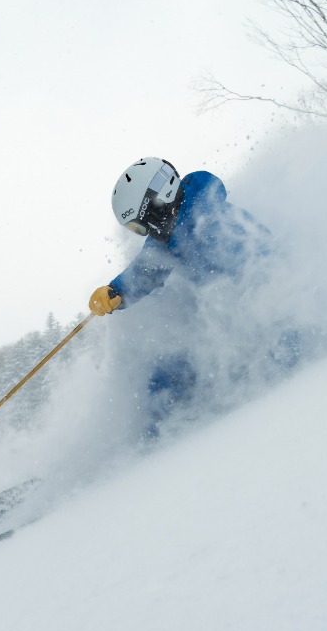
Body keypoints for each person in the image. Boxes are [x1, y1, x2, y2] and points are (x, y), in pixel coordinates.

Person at [87, 157, 292, 437]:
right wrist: (117, 291)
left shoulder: (210, 222)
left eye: (140, 225)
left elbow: (264, 275)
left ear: (157, 204)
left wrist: (262, 332)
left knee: (178, 378)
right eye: (136, 229)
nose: (143, 233)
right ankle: (149, 443)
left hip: (260, 327)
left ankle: (177, 440)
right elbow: (146, 271)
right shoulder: (171, 235)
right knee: (162, 380)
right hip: (227, 328)